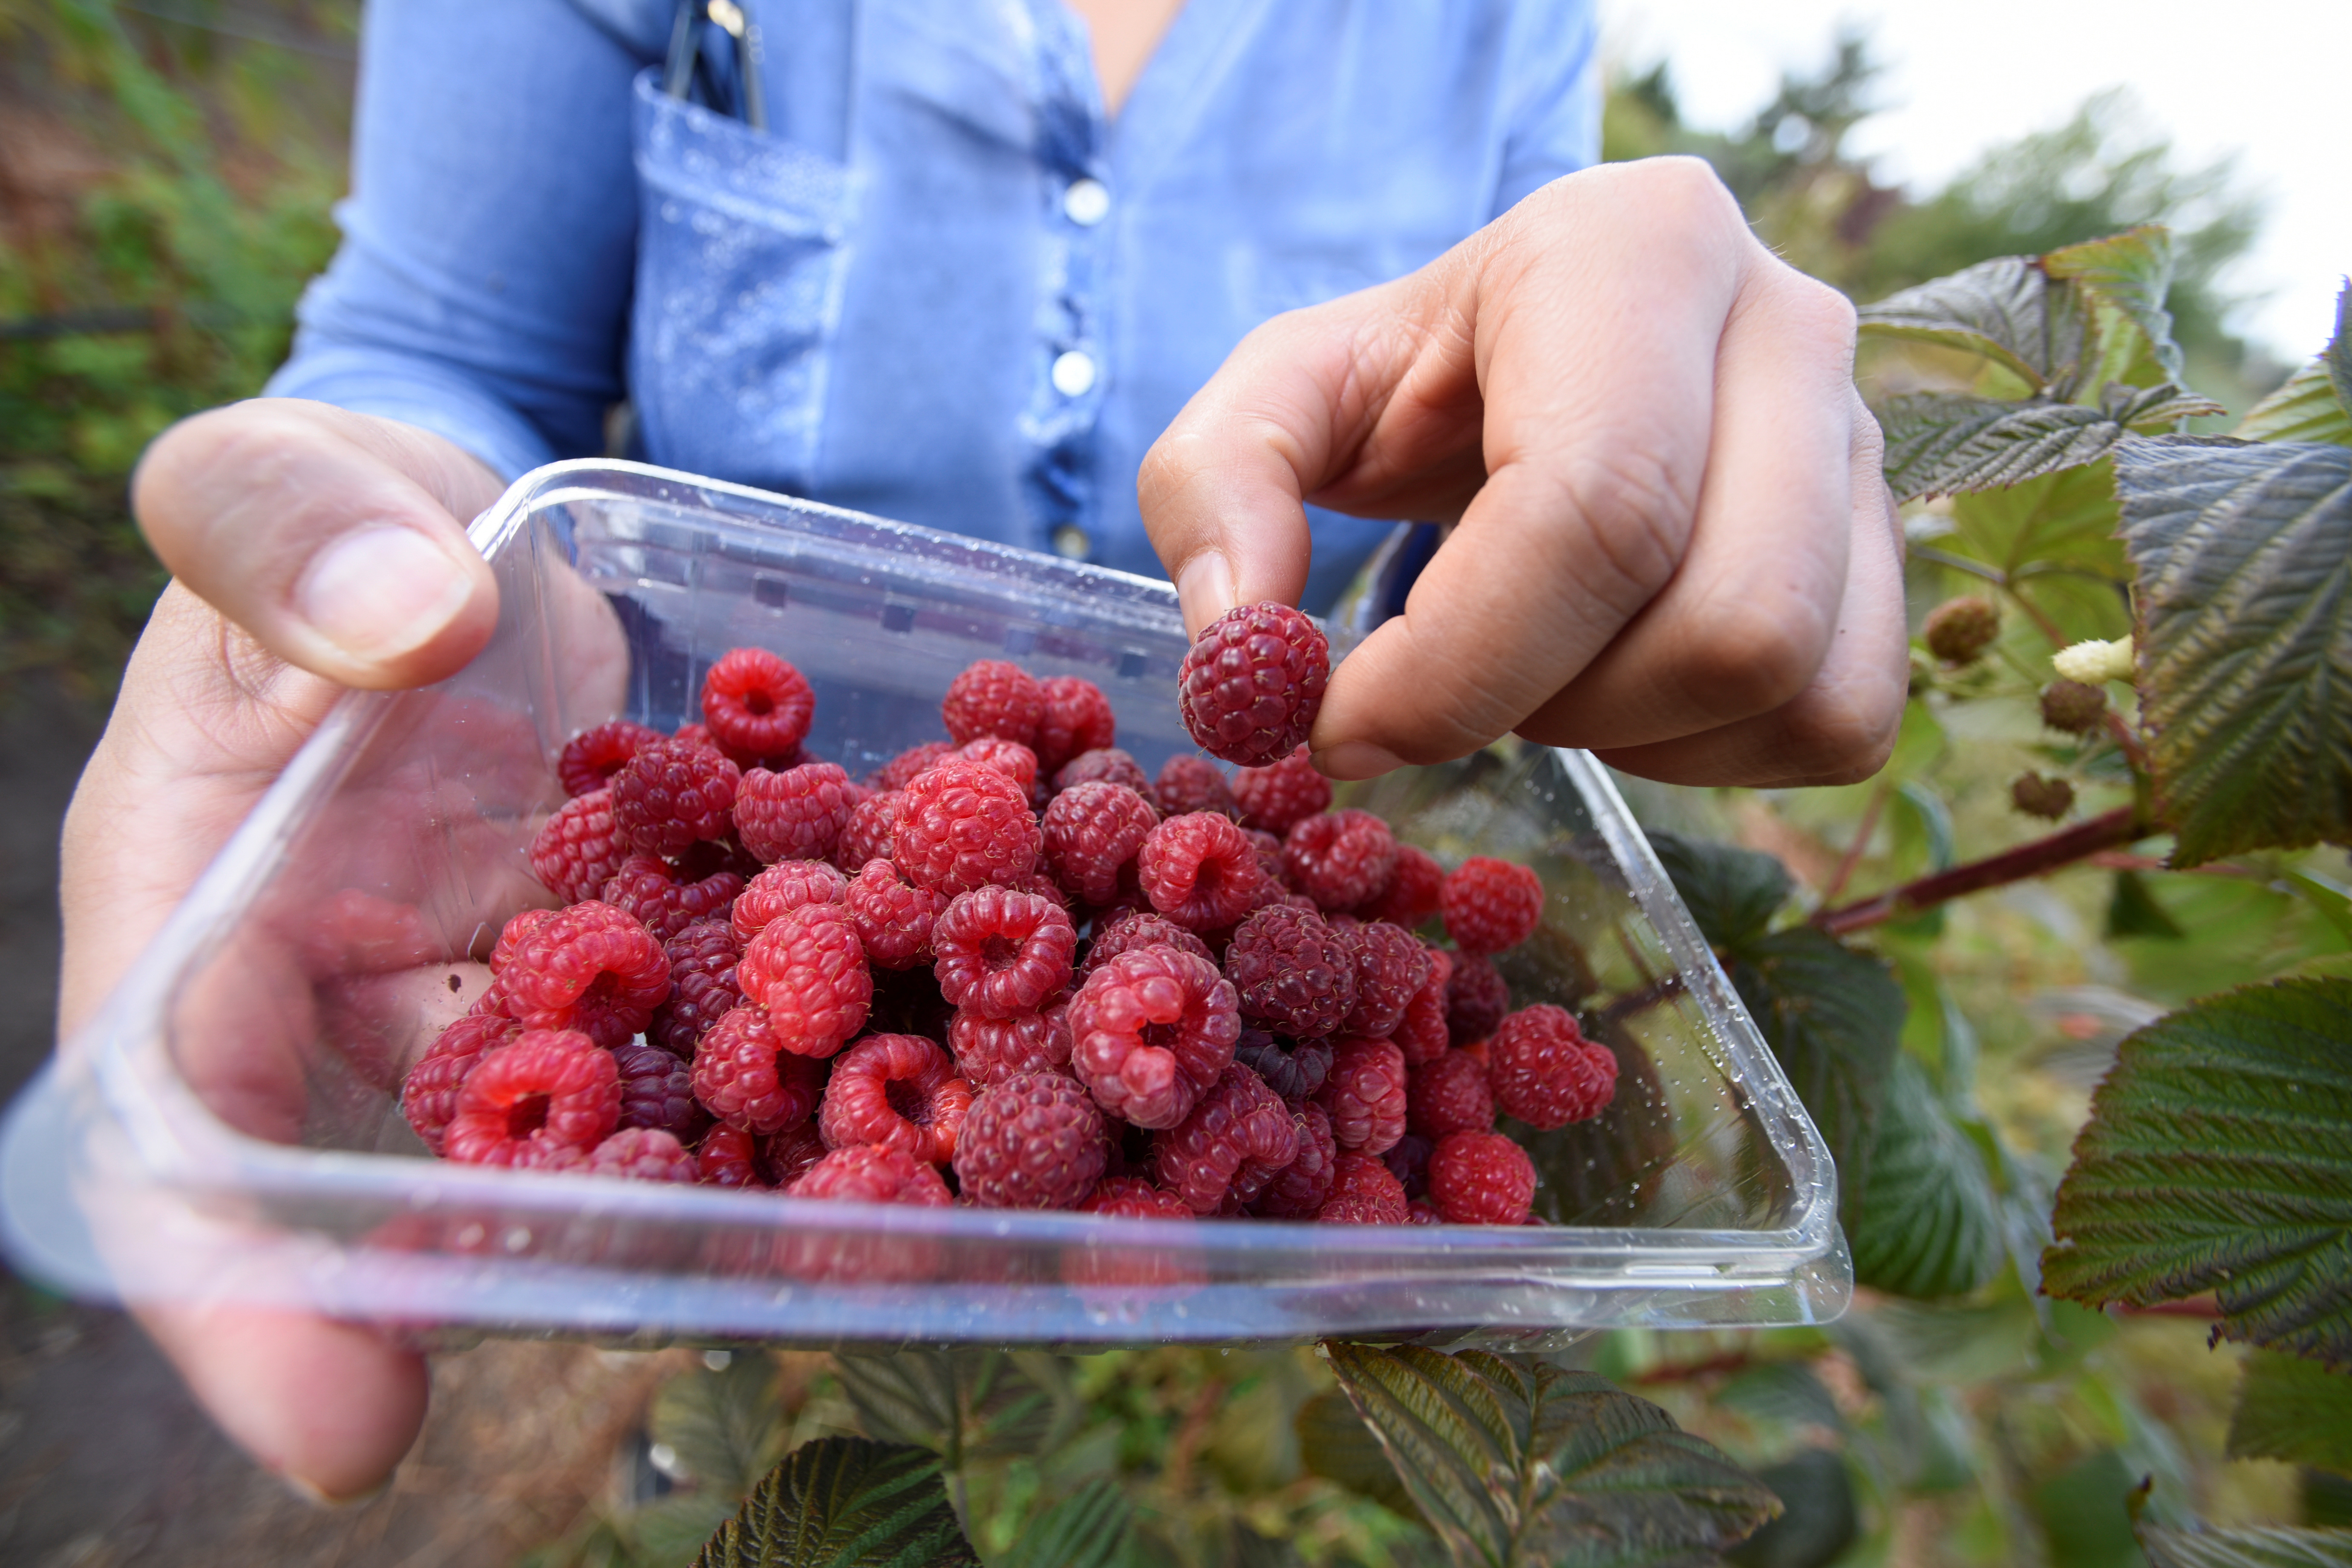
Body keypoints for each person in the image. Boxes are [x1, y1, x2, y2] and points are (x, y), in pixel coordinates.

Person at [57, 0, 1904, 1502]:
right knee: (724, 1451)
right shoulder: (752, 944)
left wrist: (1626, 507)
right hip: (708, 845)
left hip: (1204, 864)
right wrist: (400, 542)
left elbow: (1478, 524)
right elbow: (443, 338)